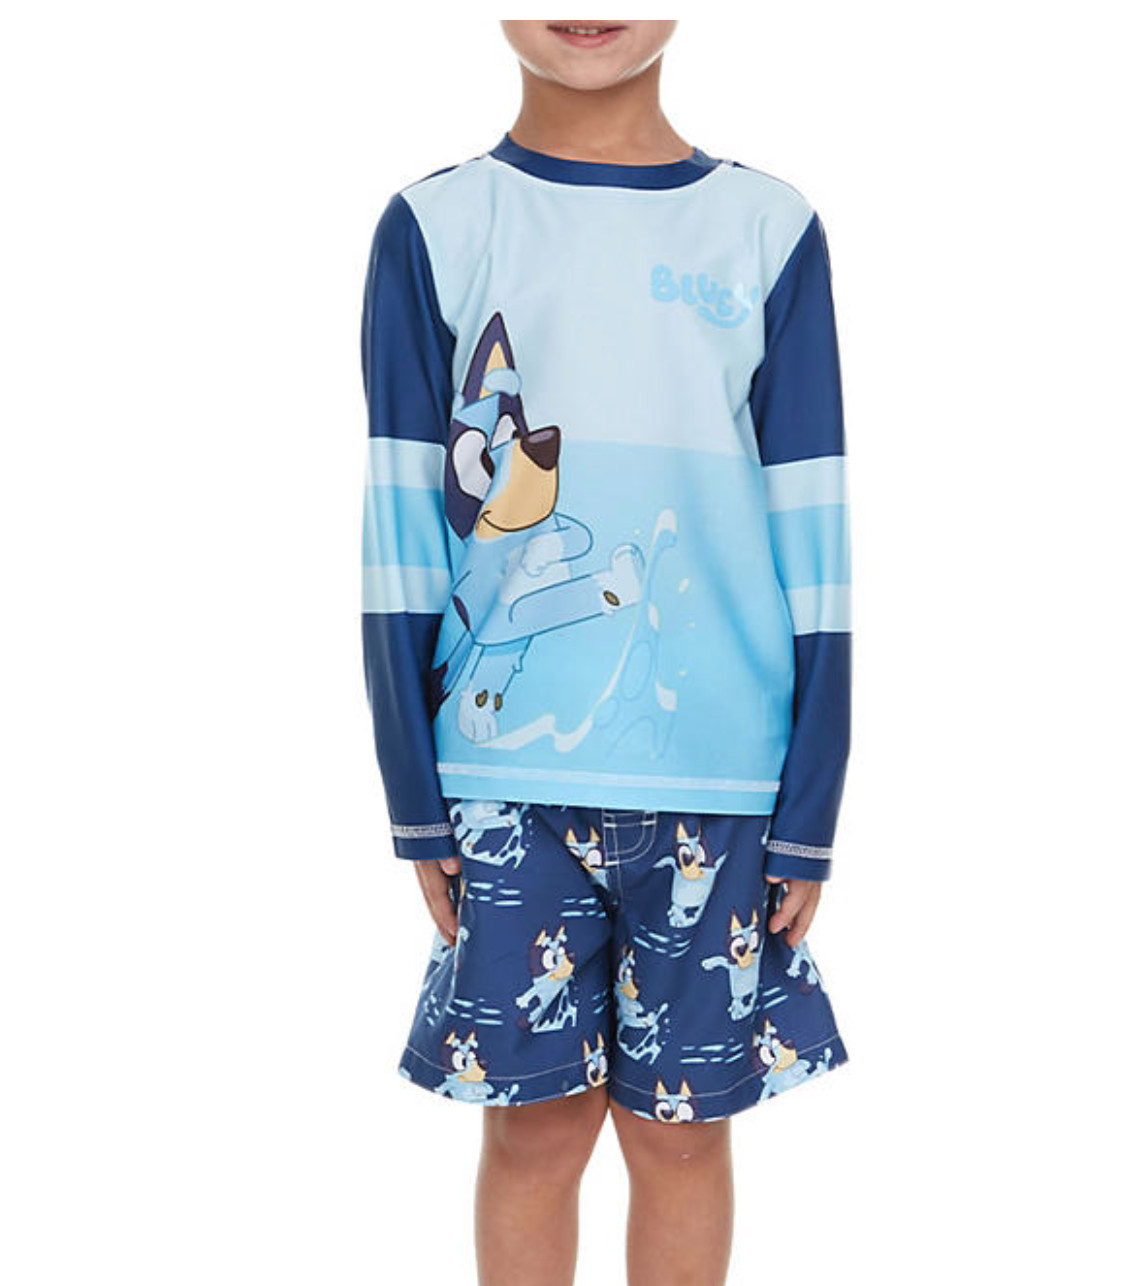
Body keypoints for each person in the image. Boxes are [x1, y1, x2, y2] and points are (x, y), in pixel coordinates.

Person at [360, 20, 851, 1286]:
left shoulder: (768, 229)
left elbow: (814, 527)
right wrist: (415, 797)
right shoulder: (435, 226)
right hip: (499, 783)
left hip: (723, 780)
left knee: (682, 1136)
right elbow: (399, 528)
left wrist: (810, 801)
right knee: (532, 1130)